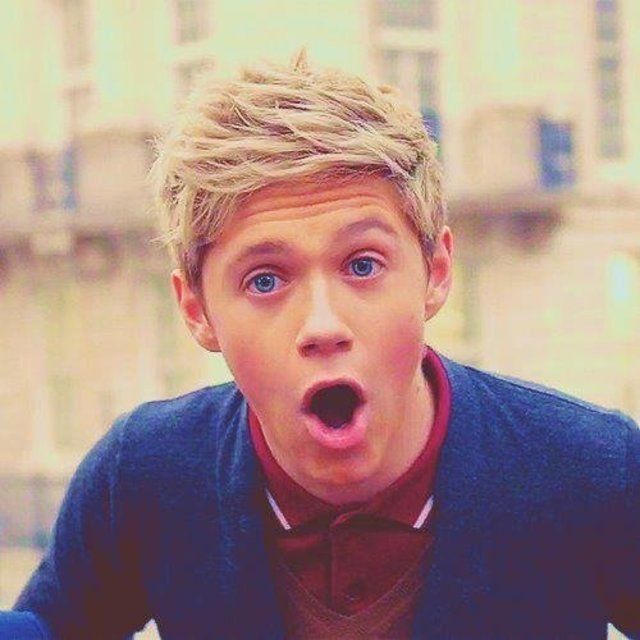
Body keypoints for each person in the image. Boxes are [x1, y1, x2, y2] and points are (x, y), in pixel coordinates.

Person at [9, 51, 640, 640]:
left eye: (363, 265)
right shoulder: (143, 475)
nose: (322, 324)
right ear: (197, 311)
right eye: (265, 280)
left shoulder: (593, 468)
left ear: (436, 272)